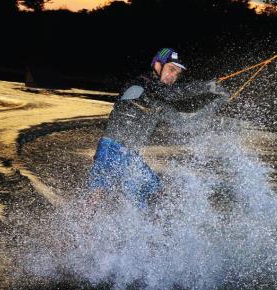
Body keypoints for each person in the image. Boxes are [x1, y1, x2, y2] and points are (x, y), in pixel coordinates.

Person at [87, 48, 229, 209]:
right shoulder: (141, 84)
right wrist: (207, 86)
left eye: (177, 74)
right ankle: (81, 231)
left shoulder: (157, 103)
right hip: (112, 148)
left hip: (132, 157)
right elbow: (172, 94)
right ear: (157, 65)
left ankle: (146, 230)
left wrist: (217, 104)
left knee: (154, 191)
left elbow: (186, 123)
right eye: (171, 69)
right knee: (97, 195)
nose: (173, 77)